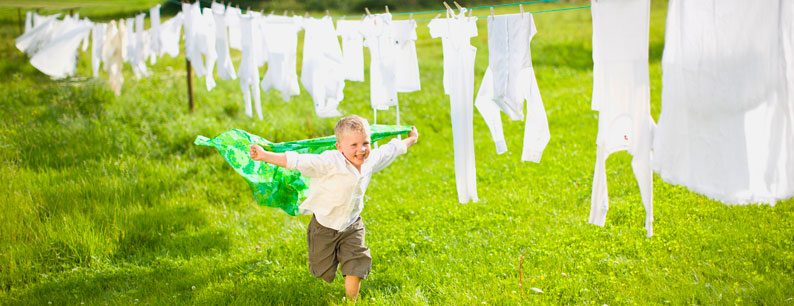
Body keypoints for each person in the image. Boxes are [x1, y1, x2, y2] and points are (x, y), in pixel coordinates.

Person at [248, 115, 419, 302]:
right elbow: (298, 161)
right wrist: (264, 155)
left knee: (356, 263)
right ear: (339, 147)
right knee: (321, 270)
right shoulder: (330, 162)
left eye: (365, 143)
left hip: (352, 225)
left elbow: (390, 150)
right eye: (353, 145)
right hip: (324, 226)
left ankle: (351, 301)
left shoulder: (370, 159)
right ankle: (325, 258)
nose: (361, 150)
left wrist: (411, 139)